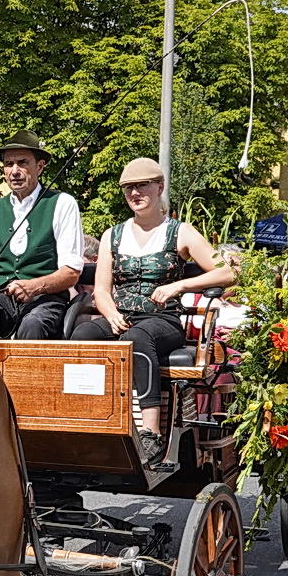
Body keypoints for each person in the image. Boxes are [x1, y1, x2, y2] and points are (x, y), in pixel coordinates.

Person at [70, 157, 236, 466]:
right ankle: (88, 417)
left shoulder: (180, 232)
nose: (135, 194)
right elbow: (103, 290)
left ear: (159, 187)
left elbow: (226, 273)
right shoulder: (112, 235)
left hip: (163, 321)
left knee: (137, 338)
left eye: (142, 186)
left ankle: (150, 432)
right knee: (82, 335)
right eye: (128, 188)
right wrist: (109, 314)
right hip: (120, 315)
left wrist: (180, 286)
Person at [0, 131, 85, 339]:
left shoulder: (62, 204)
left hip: (44, 298)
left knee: (34, 324)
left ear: (40, 166)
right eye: (9, 164)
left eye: (22, 163)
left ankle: (26, 373)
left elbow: (71, 272)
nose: (14, 171)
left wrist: (35, 286)